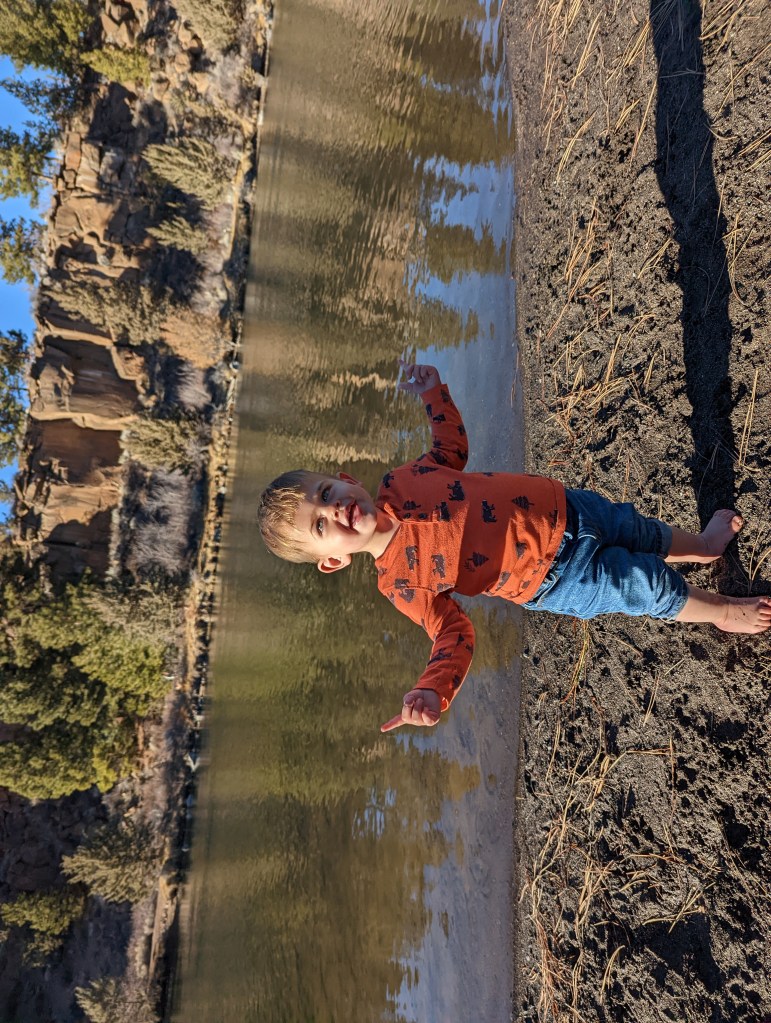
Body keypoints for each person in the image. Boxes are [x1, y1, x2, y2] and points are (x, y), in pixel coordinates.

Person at [257, 361, 771, 732]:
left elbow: (451, 450)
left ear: (345, 479)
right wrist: (433, 689)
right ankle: (723, 612)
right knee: (643, 583)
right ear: (333, 560)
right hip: (555, 577)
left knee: (640, 531)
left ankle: (703, 546)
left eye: (326, 494)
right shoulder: (400, 584)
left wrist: (434, 395)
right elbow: (453, 634)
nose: (334, 510)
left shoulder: (400, 479)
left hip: (565, 507)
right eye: (320, 525)